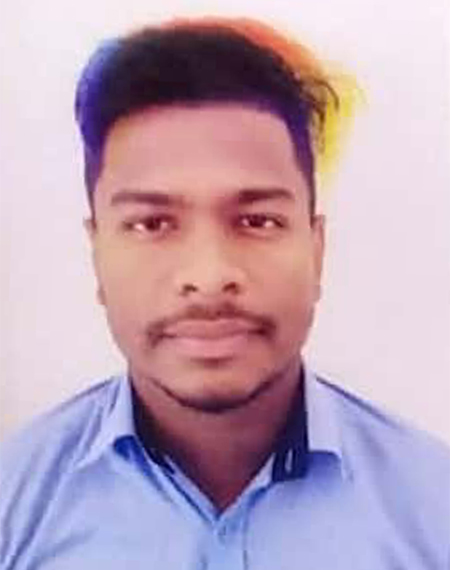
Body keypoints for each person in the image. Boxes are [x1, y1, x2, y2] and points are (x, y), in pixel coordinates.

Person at [0, 17, 449, 570]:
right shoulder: (14, 507)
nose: (209, 275)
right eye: (152, 224)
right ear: (97, 253)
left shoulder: (434, 509)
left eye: (257, 221)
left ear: (316, 249)